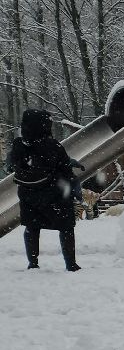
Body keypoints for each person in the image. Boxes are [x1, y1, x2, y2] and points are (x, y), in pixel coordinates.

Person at [8, 109, 82, 271]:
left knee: (32, 228)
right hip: (54, 196)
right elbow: (64, 168)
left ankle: (33, 263)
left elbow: (11, 166)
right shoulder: (53, 145)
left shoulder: (18, 144)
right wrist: (73, 185)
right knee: (66, 227)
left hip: (28, 195)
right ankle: (71, 264)